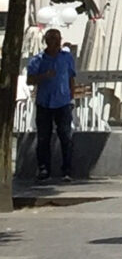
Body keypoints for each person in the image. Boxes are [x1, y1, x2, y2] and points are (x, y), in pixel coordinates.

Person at [26, 28, 81, 184]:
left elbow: (71, 78)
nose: (55, 42)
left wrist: (71, 97)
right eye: (52, 39)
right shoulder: (37, 60)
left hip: (63, 103)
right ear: (46, 41)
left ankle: (67, 170)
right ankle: (44, 169)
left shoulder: (66, 58)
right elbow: (29, 80)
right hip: (44, 103)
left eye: (57, 39)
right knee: (44, 138)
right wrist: (43, 76)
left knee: (66, 137)